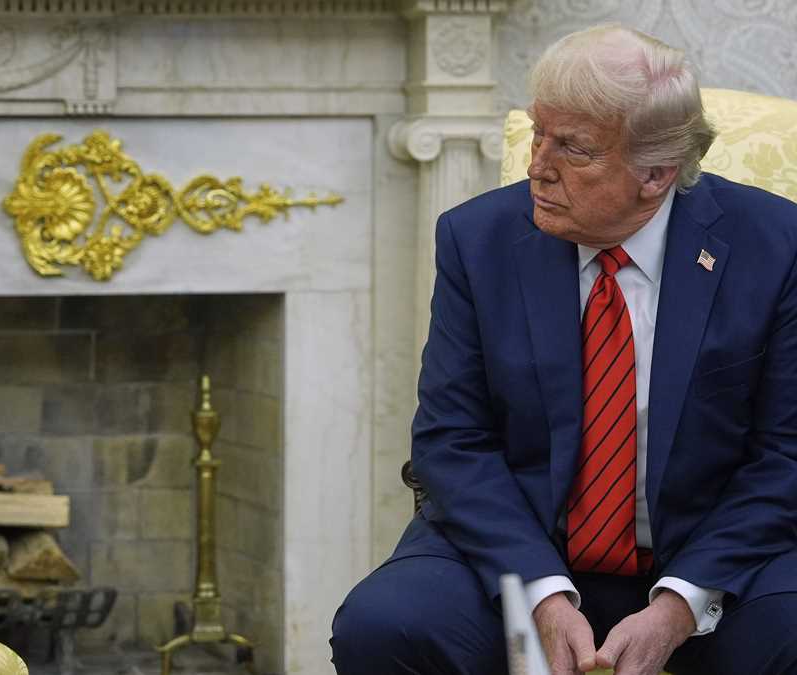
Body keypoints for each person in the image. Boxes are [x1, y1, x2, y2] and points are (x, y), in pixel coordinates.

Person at [331, 24, 797, 675]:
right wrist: (542, 592)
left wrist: (679, 604)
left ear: (656, 174)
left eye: (573, 148)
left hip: (713, 558)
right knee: (384, 626)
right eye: (538, 134)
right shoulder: (478, 239)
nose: (537, 166)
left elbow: (785, 454)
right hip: (524, 544)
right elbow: (451, 438)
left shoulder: (775, 247)